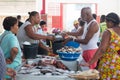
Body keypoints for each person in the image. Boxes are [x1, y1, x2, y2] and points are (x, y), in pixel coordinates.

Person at [81, 12, 120, 79]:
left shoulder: (108, 32)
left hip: (108, 62)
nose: (106, 24)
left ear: (111, 22)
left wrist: (90, 62)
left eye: (107, 22)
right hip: (117, 62)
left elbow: (102, 50)